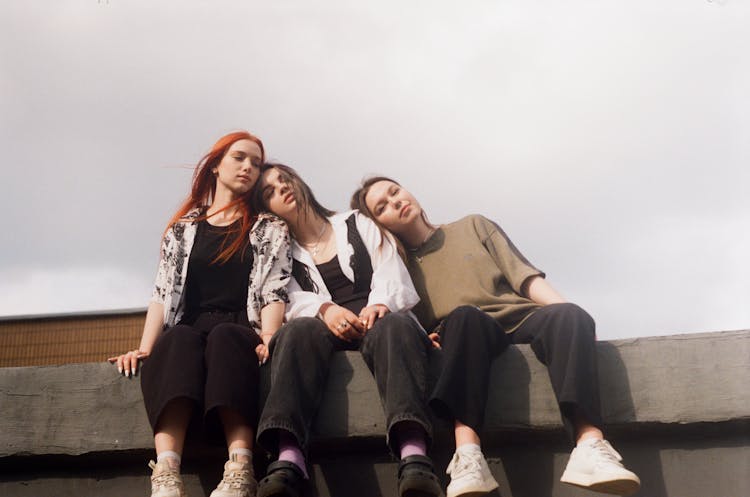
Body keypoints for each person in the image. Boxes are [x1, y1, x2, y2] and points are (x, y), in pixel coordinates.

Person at [351, 177, 641, 497]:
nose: (395, 202)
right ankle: (468, 456)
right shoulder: (395, 269)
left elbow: (524, 277)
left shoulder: (473, 225)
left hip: (522, 319)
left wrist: (572, 316)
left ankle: (590, 445)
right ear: (378, 225)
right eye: (383, 207)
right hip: (467, 333)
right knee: (464, 316)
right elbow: (404, 319)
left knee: (570, 314)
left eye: (395, 192)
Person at [108, 131, 291, 497]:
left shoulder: (269, 228)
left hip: (239, 328)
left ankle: (240, 468)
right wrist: (144, 348)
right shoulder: (183, 230)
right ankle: (165, 472)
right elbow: (161, 294)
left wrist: (270, 335)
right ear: (216, 165)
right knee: (177, 341)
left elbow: (275, 288)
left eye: (256, 163)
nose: (248, 168)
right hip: (189, 329)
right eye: (239, 158)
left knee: (225, 337)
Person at [252, 164, 444, 497]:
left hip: (379, 321)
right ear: (266, 208)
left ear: (300, 183)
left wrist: (378, 304)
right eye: (270, 191)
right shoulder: (282, 251)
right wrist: (324, 309)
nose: (282, 188)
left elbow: (390, 267)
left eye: (285, 180)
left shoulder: (356, 222)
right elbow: (284, 298)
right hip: (320, 331)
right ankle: (288, 459)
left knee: (393, 324)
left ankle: (414, 456)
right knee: (296, 332)